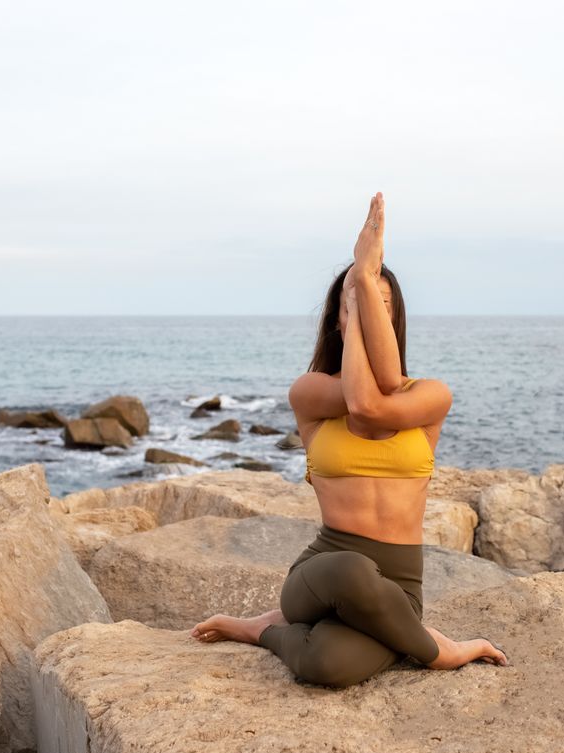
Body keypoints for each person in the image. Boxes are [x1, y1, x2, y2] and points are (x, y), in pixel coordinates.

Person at [190, 192, 508, 687]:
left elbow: (377, 401)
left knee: (327, 666)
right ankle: (439, 649)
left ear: (395, 319)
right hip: (322, 574)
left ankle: (262, 630)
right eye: (352, 307)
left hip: (399, 586)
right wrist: (361, 284)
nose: (363, 313)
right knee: (354, 570)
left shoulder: (430, 397)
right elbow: (360, 404)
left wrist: (362, 276)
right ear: (336, 319)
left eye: (379, 307)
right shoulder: (312, 393)